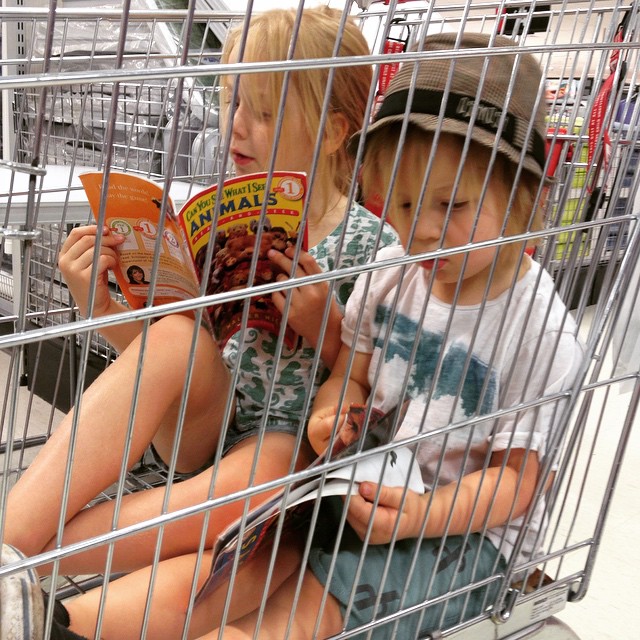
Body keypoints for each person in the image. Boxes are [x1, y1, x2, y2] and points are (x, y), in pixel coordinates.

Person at [1, 7, 397, 639]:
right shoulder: (212, 217)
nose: (235, 125)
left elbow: (380, 394)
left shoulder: (374, 249)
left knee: (266, 477)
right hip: (205, 424)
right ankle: (11, 544)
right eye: (231, 101)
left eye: (262, 111)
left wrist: (328, 331)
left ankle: (30, 574)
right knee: (178, 334)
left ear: (332, 131)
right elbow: (166, 361)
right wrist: (102, 307)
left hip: (288, 459)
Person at [208, 32, 586, 639]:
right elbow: (350, 375)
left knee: (301, 613)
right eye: (405, 206)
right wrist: (334, 413)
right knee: (248, 559)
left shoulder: (540, 329)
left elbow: (516, 483)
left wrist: (421, 515)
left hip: (465, 533)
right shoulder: (391, 274)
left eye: (452, 206)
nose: (423, 232)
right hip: (371, 486)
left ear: (521, 198)